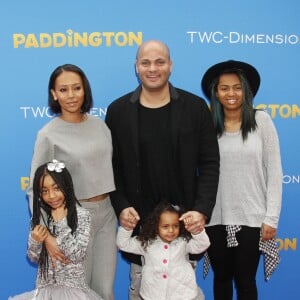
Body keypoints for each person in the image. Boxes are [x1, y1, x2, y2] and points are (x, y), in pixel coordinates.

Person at [105, 39, 220, 299]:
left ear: (171, 65)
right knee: (143, 291)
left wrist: (201, 210)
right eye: (145, 62)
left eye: (160, 62)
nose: (153, 68)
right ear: (136, 67)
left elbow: (210, 164)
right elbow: (113, 168)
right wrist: (122, 206)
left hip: (182, 228)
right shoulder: (118, 111)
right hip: (140, 228)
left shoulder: (195, 108)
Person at [27, 64, 117, 300]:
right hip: (73, 221)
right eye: (63, 90)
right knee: (78, 293)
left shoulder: (100, 125)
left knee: (105, 292)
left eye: (76, 88)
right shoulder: (48, 134)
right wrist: (47, 236)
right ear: (54, 94)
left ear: (84, 90)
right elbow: (34, 189)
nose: (71, 95)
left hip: (107, 215)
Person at [201, 60, 282, 300]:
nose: (231, 93)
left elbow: (275, 172)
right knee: (222, 280)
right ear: (216, 92)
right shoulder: (206, 126)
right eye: (224, 88)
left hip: (252, 217)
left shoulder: (262, 121)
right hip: (215, 217)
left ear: (246, 90)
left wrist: (271, 218)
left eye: (237, 87)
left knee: (246, 282)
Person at [10, 160, 102, 300]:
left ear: (67, 186)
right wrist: (36, 241)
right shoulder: (40, 218)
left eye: (57, 188)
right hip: (45, 291)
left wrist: (61, 222)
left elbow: (77, 254)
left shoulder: (82, 215)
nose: (51, 196)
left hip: (73, 291)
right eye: (45, 191)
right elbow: (34, 258)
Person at [116, 201, 210, 300]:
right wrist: (127, 228)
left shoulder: (183, 242)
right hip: (153, 294)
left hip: (182, 294)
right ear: (156, 226)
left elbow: (203, 244)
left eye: (175, 226)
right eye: (165, 226)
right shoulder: (147, 243)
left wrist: (197, 231)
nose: (171, 230)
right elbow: (123, 244)